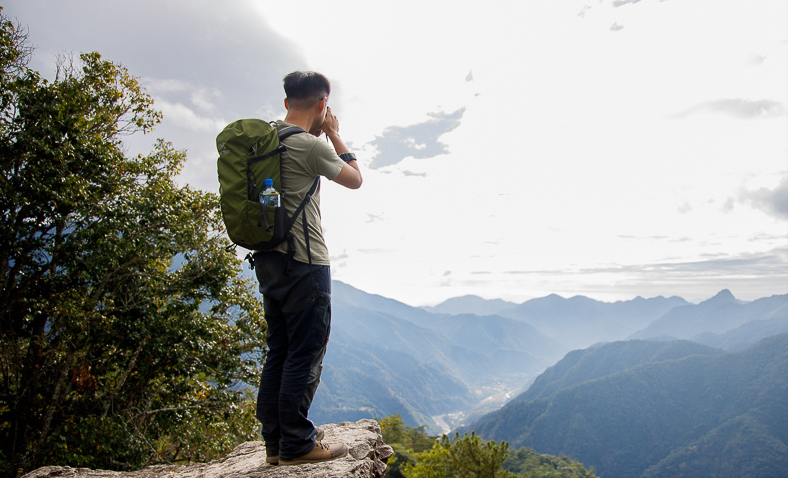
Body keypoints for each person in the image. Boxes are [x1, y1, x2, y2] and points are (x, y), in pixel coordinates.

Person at [252, 71, 362, 467]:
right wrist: (334, 134)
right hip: (306, 261)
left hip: (268, 261)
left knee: (279, 349)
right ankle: (298, 444)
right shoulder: (310, 147)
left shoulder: (265, 143)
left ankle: (274, 444)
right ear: (322, 105)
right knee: (306, 351)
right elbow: (355, 180)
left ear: (286, 103)